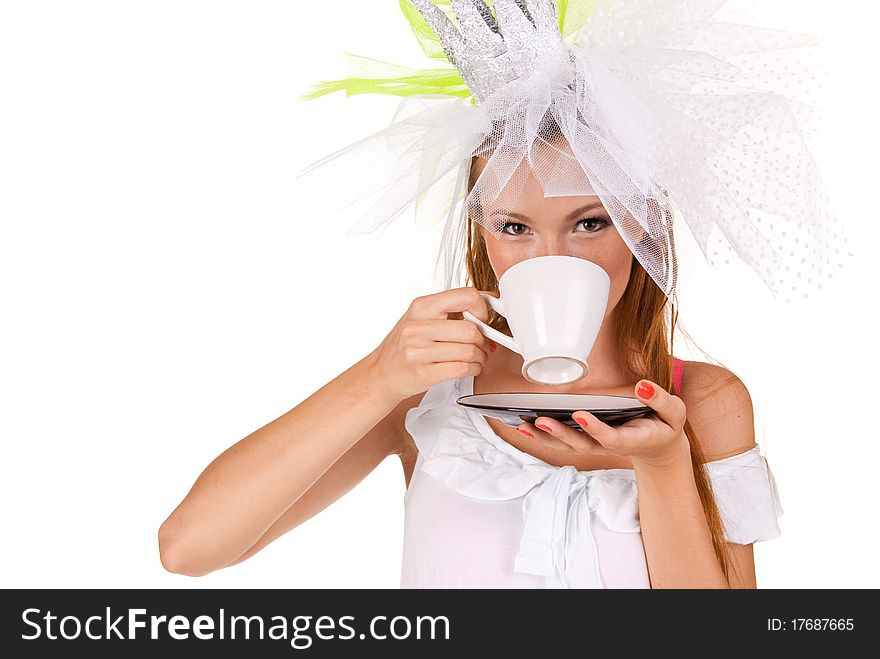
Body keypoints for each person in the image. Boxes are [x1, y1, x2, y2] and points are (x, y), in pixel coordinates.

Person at [159, 0, 842, 587]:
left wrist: (661, 464)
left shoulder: (706, 402)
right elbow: (189, 547)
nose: (550, 256)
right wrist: (377, 377)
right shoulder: (432, 393)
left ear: (642, 228)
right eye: (516, 227)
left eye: (589, 223)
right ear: (484, 233)